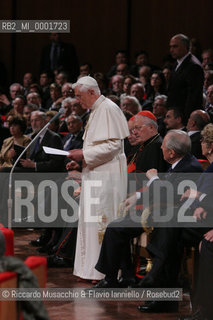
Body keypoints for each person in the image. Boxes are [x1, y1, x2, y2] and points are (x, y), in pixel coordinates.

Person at [94, 130, 202, 289]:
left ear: (171, 152)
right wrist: (137, 197)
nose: (161, 149)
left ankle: (111, 279)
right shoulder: (181, 162)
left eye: (163, 146)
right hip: (158, 211)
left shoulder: (190, 168)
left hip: (167, 215)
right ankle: (126, 276)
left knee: (115, 228)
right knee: (117, 227)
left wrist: (154, 179)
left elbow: (169, 196)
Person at [67, 76, 129, 280]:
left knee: (101, 221)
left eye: (79, 96)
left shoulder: (108, 109)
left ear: (92, 92)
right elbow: (95, 146)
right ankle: (89, 269)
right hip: (95, 172)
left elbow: (113, 146)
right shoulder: (96, 111)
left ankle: (103, 272)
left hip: (107, 176)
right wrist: (81, 161)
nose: (77, 100)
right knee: (89, 221)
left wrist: (84, 155)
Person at [167, 34, 204, 123]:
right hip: (175, 114)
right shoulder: (177, 63)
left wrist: (185, 118)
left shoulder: (193, 66)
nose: (171, 50)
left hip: (184, 117)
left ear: (185, 47)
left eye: (175, 46)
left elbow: (193, 97)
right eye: (170, 47)